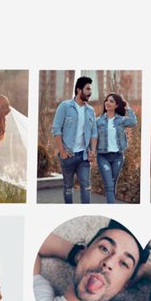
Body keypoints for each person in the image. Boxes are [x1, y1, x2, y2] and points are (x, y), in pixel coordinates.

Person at [51, 75, 98, 204]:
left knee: (86, 187)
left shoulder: (90, 110)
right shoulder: (65, 106)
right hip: (68, 155)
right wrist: (62, 152)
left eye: (91, 89)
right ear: (79, 90)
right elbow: (56, 129)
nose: (90, 92)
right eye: (87, 89)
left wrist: (92, 151)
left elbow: (94, 132)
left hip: (83, 156)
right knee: (68, 188)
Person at [92, 91, 138, 203]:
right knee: (109, 186)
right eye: (106, 101)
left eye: (111, 101)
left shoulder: (120, 120)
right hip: (103, 157)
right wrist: (91, 151)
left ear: (116, 105)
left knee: (113, 185)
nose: (107, 103)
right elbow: (93, 137)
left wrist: (127, 107)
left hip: (118, 157)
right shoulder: (98, 121)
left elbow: (133, 122)